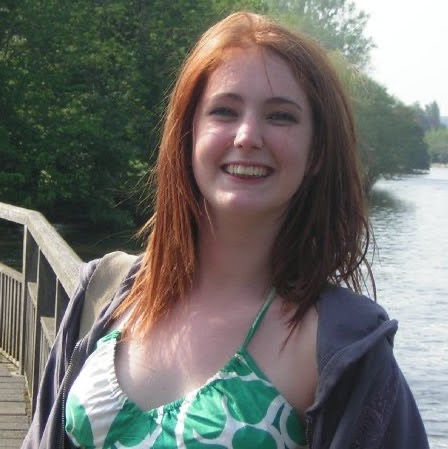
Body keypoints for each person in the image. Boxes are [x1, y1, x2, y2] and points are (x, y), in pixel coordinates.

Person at [22, 11, 429, 449]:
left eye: (281, 116)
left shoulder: (339, 347)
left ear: (316, 154)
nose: (248, 135)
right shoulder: (106, 291)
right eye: (224, 111)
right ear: (188, 135)